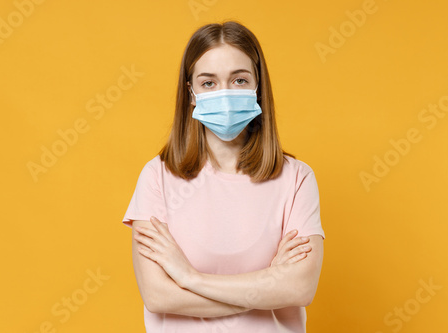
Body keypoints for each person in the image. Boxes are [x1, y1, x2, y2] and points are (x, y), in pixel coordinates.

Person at [122, 20, 326, 333]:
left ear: (258, 87)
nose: (225, 94)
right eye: (209, 83)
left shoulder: (297, 178)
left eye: (239, 80)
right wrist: (266, 287)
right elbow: (158, 296)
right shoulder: (157, 178)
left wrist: (190, 278)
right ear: (190, 93)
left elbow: (299, 289)